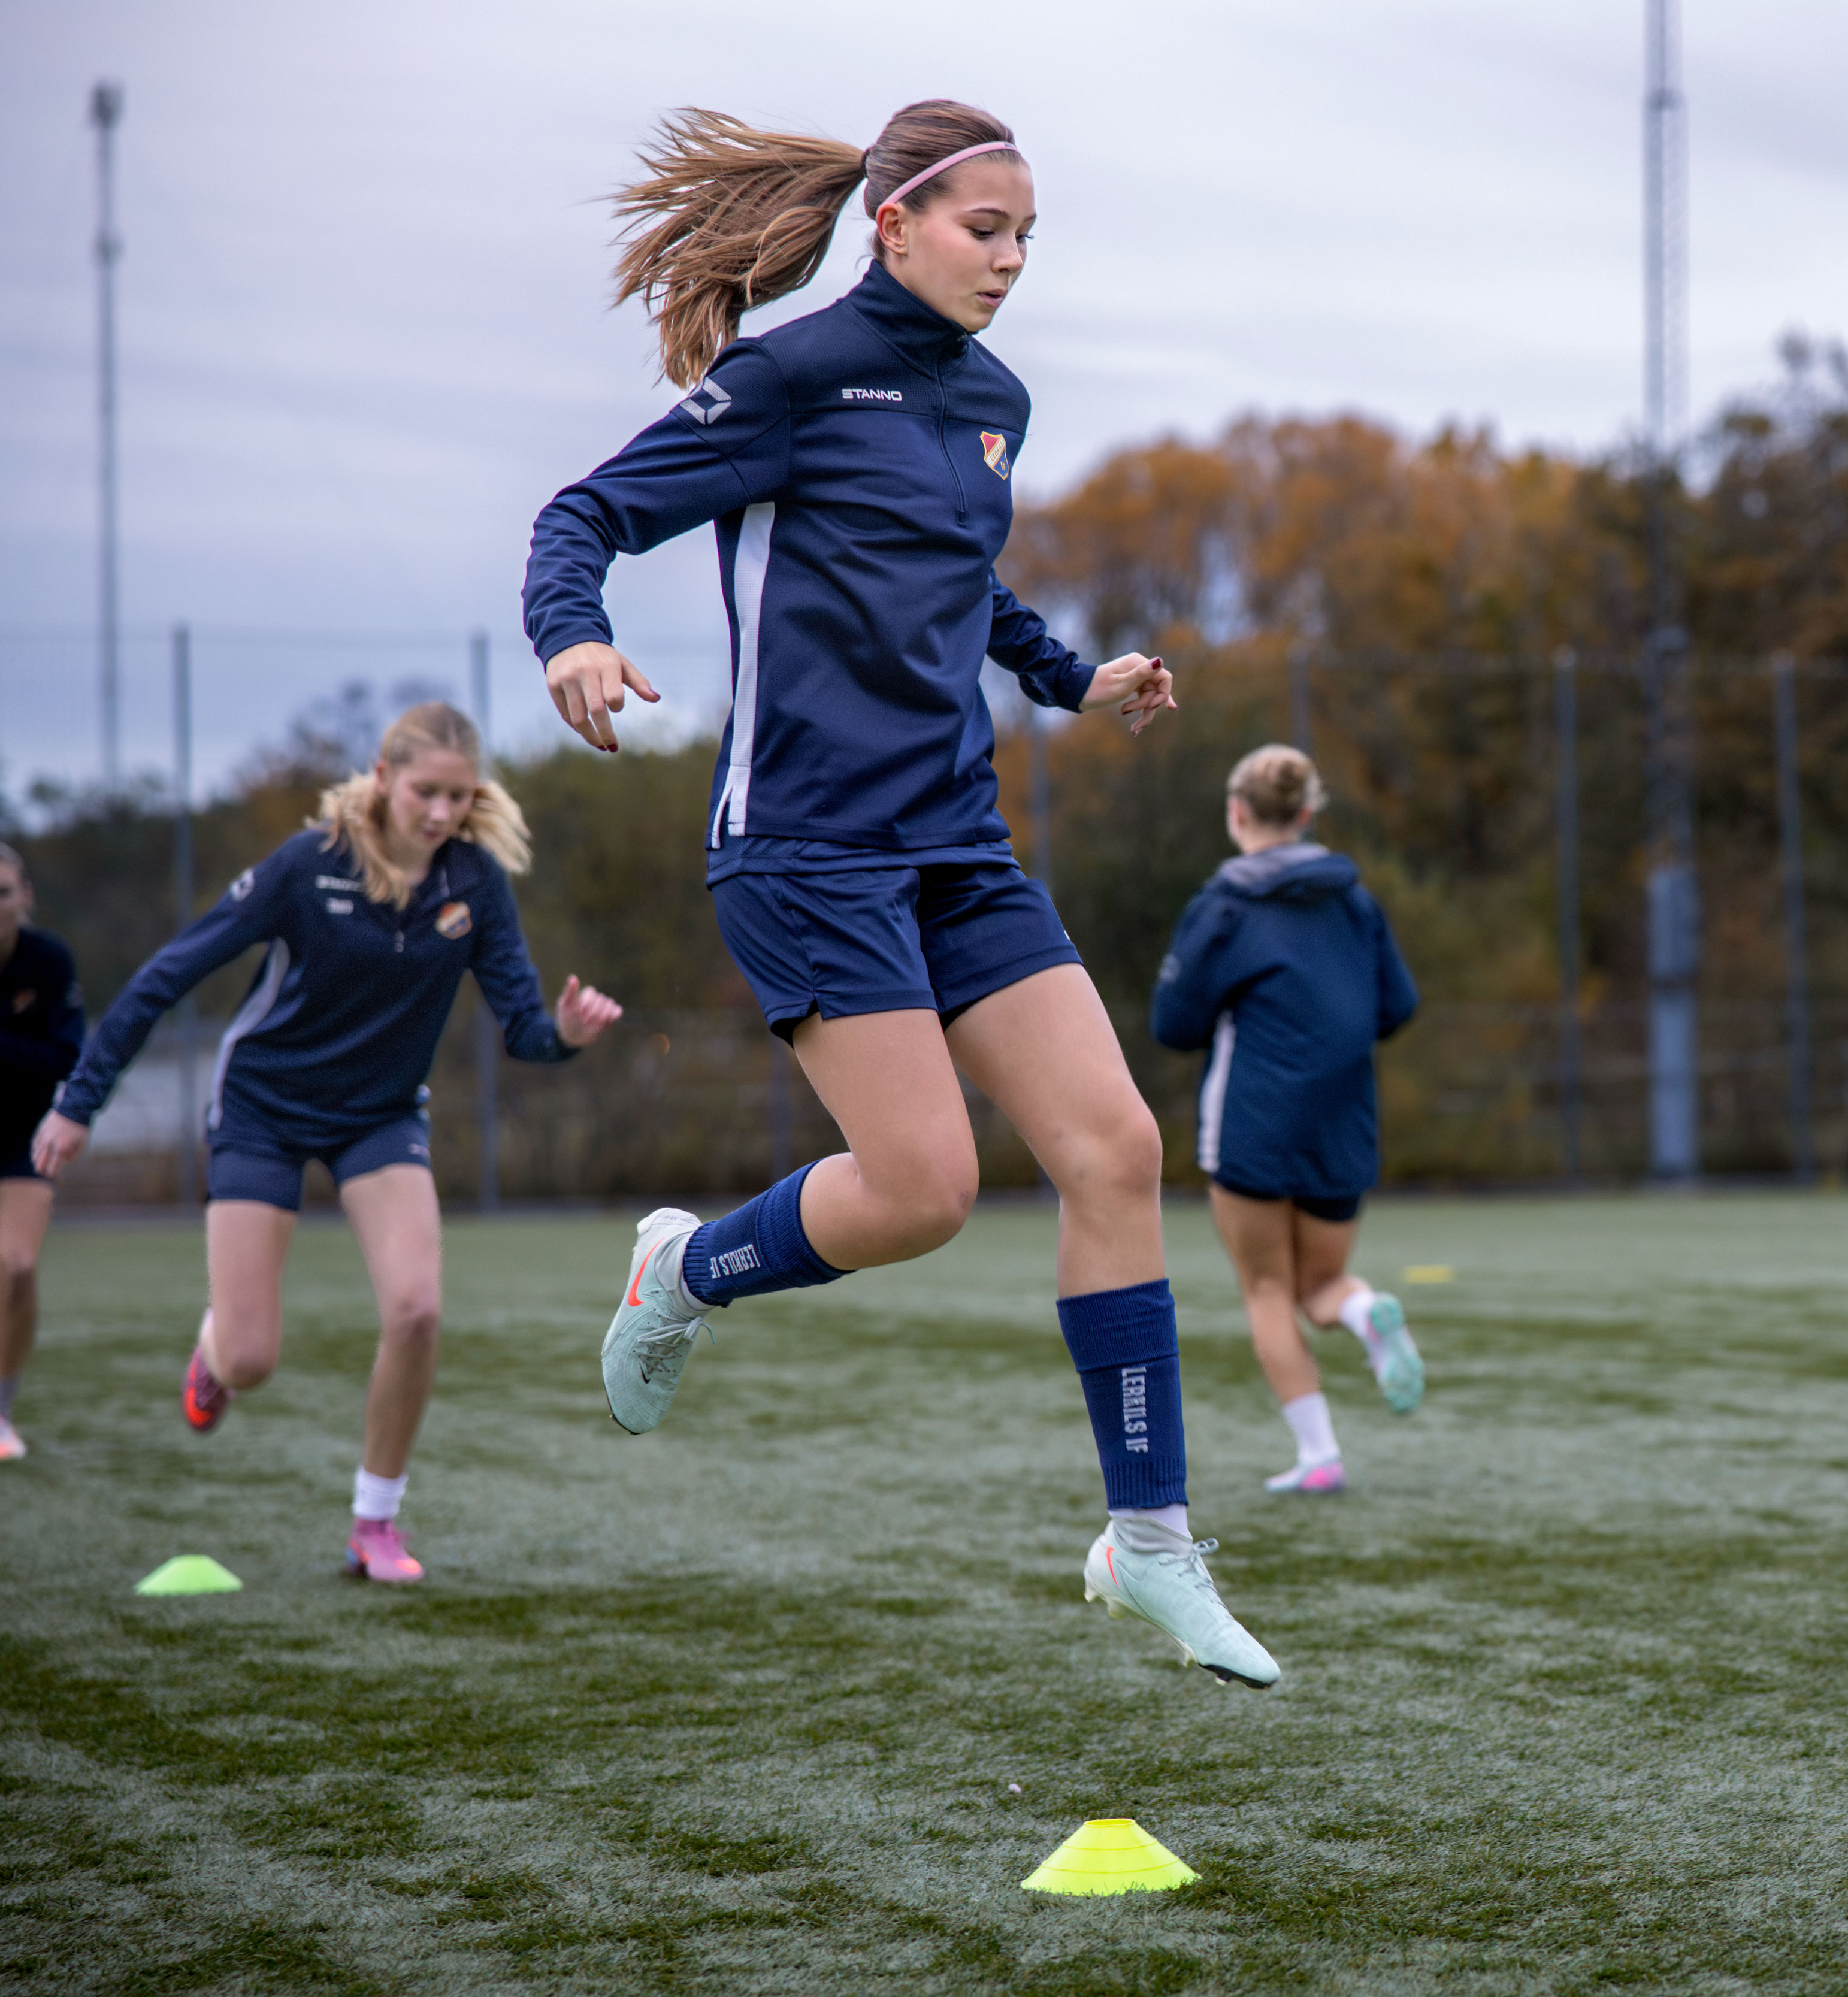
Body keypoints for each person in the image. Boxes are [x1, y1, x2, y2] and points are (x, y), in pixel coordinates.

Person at [521, 101, 1278, 1687]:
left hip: (955, 840)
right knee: (924, 1188)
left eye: (1027, 237)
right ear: (894, 224)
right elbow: (582, 513)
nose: (1009, 261)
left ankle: (1151, 1544)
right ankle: (686, 1267)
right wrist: (572, 634)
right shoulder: (792, 377)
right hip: (805, 846)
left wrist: (1075, 675)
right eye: (982, 229)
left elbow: (958, 576)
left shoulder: (992, 398)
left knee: (1118, 1147)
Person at [35, 704, 618, 1579]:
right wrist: (80, 1103)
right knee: (252, 1356)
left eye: (460, 797)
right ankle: (214, 1352)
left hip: (380, 1114)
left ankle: (375, 1522)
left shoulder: (475, 883)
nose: (441, 813)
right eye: (426, 791)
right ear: (384, 777)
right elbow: (167, 976)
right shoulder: (308, 866)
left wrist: (567, 1032)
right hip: (263, 1107)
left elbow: (524, 1031)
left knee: (418, 1310)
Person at [1153, 745, 1423, 1497]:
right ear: (1306, 815)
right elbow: (1396, 1006)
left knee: (1268, 1290)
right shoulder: (1354, 900)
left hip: (1253, 1120)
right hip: (1344, 1118)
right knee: (1322, 1283)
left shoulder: (1224, 905)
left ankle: (1320, 1456)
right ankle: (1365, 1312)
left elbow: (1172, 1023)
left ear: (1238, 812)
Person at [0, 846, 86, 1463]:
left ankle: (0, 1410)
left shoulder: (49, 962)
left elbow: (65, 1058)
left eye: (4, 891)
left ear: (25, 895)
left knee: (17, 1267)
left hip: (20, 1136)